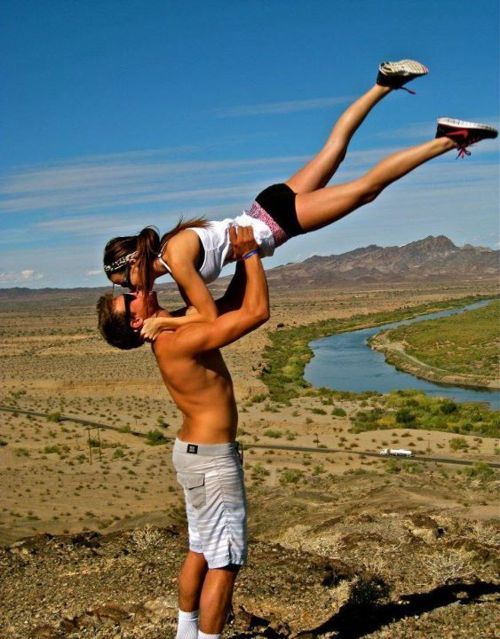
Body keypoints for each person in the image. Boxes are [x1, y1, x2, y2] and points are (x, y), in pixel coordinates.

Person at [103, 59, 497, 340]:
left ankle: (448, 139)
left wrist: (166, 322)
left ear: (133, 262)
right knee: (335, 150)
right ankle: (381, 84)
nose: (132, 290)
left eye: (126, 282)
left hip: (277, 220)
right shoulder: (173, 250)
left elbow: (206, 315)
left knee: (366, 189)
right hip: (264, 205)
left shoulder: (175, 260)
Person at [97, 226, 269, 638]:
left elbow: (225, 304)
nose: (135, 290)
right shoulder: (176, 340)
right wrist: (248, 257)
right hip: (212, 459)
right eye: (128, 299)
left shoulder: (172, 328)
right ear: (137, 322)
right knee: (225, 560)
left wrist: (245, 256)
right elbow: (256, 313)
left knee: (200, 547)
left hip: (193, 455)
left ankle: (185, 633)